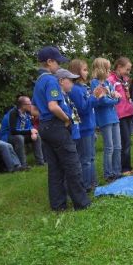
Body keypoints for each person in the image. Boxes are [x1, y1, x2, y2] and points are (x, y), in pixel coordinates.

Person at [32, 46, 90, 211]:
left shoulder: (38, 82)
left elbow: (34, 109)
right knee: (72, 165)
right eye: (57, 62)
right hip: (57, 126)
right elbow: (53, 106)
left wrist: (45, 117)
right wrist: (66, 119)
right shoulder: (51, 80)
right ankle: (81, 203)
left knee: (55, 168)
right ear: (49, 62)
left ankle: (58, 205)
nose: (59, 66)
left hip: (45, 127)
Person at [68, 59, 99, 193]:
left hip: (90, 126)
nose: (87, 72)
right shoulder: (75, 89)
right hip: (83, 129)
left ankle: (93, 182)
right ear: (77, 72)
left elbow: (91, 105)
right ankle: (86, 185)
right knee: (85, 159)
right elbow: (83, 108)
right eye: (84, 70)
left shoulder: (83, 87)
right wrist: (93, 97)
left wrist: (97, 97)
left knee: (91, 157)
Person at [91, 58, 123, 182]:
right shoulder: (95, 83)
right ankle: (108, 174)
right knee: (109, 147)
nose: (109, 71)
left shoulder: (108, 83)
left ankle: (117, 171)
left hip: (114, 117)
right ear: (101, 69)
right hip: (104, 118)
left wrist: (115, 98)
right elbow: (103, 101)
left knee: (118, 146)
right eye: (108, 68)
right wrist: (115, 99)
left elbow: (117, 97)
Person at [0, 95, 44, 169]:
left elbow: (29, 125)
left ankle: (40, 162)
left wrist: (33, 132)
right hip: (8, 136)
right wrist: (30, 131)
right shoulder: (13, 113)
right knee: (19, 138)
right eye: (29, 104)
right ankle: (23, 165)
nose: (31, 105)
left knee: (37, 136)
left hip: (20, 134)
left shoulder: (27, 113)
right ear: (23, 106)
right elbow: (13, 131)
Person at [108, 57, 133, 175]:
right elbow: (110, 95)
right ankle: (124, 168)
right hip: (120, 114)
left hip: (129, 112)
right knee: (125, 141)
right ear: (119, 67)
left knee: (127, 140)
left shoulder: (124, 79)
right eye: (127, 69)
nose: (128, 72)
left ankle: (127, 166)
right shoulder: (111, 80)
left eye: (129, 70)